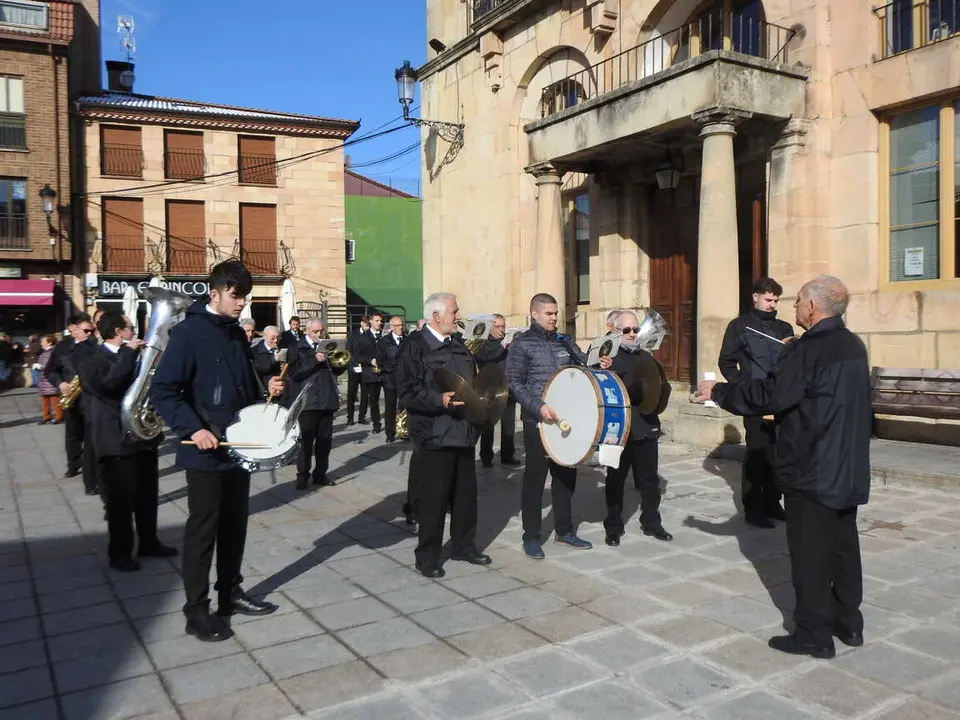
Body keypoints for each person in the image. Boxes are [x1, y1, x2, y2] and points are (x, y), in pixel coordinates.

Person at [695, 275, 871, 659]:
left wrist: (718, 391)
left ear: (812, 306)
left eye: (797, 302)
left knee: (810, 554)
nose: (792, 308)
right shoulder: (852, 345)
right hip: (848, 465)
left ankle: (813, 634)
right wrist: (799, 351)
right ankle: (849, 624)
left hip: (812, 467)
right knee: (844, 548)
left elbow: (769, 395)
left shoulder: (806, 351)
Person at [150, 260, 286, 642]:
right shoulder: (187, 333)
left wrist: (267, 390)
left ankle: (229, 595)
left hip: (237, 448)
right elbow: (164, 391)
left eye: (245, 296)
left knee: (234, 527)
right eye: (235, 296)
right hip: (204, 450)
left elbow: (242, 390)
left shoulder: (234, 334)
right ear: (215, 293)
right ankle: (196, 610)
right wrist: (193, 428)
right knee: (203, 532)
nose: (242, 303)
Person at [506, 293, 611, 559]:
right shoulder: (522, 344)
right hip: (538, 421)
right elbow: (514, 382)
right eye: (550, 313)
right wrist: (538, 407)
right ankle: (531, 536)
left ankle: (564, 531)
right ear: (535, 314)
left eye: (555, 313)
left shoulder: (564, 340)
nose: (554, 317)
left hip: (566, 420)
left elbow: (584, 365)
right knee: (535, 480)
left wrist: (599, 362)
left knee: (566, 477)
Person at [396, 292, 490, 578]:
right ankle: (427, 555)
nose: (458, 316)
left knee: (465, 496)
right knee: (434, 499)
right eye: (454, 311)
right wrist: (440, 401)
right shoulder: (415, 347)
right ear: (436, 316)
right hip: (434, 433)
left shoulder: (459, 344)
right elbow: (406, 391)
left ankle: (463, 545)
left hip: (463, 431)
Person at [77, 312, 178, 572]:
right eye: (130, 327)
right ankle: (120, 553)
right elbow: (109, 384)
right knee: (120, 502)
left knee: (147, 496)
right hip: (114, 439)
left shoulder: (133, 356)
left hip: (142, 437)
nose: (134, 331)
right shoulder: (90, 359)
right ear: (119, 331)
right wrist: (129, 354)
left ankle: (149, 542)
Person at [718, 277, 795, 528]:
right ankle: (753, 507)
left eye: (775, 300)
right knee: (756, 453)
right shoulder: (739, 326)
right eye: (767, 299)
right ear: (755, 296)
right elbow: (726, 361)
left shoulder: (784, 328)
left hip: (779, 397)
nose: (772, 304)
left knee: (778, 453)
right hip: (753, 398)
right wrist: (742, 386)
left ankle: (774, 502)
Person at [599, 310, 672, 547]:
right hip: (620, 428)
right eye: (626, 330)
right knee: (615, 480)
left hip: (647, 424)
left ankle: (652, 522)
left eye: (635, 330)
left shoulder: (646, 356)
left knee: (649, 480)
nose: (632, 334)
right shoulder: (608, 357)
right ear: (615, 330)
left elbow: (658, 387)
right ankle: (613, 527)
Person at [43, 313, 99, 490]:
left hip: (90, 396)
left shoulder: (94, 345)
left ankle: (92, 470)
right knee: (72, 433)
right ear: (72, 328)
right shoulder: (62, 346)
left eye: (92, 330)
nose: (89, 333)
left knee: (91, 436)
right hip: (71, 396)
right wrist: (60, 383)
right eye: (86, 330)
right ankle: (73, 465)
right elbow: (50, 370)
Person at [288, 318, 345, 489]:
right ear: (306, 331)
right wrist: (315, 360)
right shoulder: (296, 347)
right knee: (305, 442)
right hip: (308, 401)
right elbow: (295, 373)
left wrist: (340, 362)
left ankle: (320, 474)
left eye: (321, 331)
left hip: (327, 399)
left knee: (324, 441)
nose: (319, 334)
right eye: (315, 332)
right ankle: (302, 476)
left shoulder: (327, 345)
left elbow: (336, 371)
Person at [477, 314, 519, 468]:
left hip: (507, 387)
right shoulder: (483, 342)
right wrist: (502, 346)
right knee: (488, 424)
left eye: (503, 326)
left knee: (509, 424)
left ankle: (508, 454)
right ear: (490, 327)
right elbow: (484, 357)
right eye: (498, 326)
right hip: (490, 389)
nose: (501, 329)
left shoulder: (508, 343)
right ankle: (486, 456)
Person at [356, 312, 384, 433]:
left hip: (385, 372)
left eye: (380, 321)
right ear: (371, 322)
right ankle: (376, 424)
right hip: (371, 373)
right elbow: (357, 356)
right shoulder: (363, 337)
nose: (379, 323)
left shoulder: (384, 335)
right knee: (374, 400)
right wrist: (370, 361)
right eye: (377, 321)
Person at [379, 315, 406, 443]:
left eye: (401, 325)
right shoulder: (384, 342)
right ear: (391, 327)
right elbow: (380, 361)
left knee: (405, 406)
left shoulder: (407, 340)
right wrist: (393, 367)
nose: (400, 328)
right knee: (390, 407)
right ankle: (390, 433)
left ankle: (404, 430)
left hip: (405, 379)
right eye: (397, 326)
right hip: (390, 379)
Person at [345, 315, 370, 425]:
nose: (367, 326)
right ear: (361, 323)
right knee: (351, 394)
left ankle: (361, 417)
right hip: (354, 366)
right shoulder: (353, 334)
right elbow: (348, 350)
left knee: (365, 394)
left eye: (368, 324)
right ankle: (350, 418)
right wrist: (356, 362)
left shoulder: (371, 335)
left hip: (365, 368)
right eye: (365, 324)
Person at [36, 335, 62, 424]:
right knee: (45, 400)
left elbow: (50, 366)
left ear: (49, 342)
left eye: (43, 342)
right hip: (43, 379)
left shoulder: (52, 352)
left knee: (54, 400)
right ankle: (46, 416)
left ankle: (59, 416)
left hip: (50, 379)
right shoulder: (44, 352)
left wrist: (41, 366)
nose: (41, 343)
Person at [252, 325, 283, 391]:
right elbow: (258, 367)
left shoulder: (282, 347)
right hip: (266, 389)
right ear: (265, 336)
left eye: (278, 337)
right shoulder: (254, 351)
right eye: (272, 338)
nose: (276, 340)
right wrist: (273, 359)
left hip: (283, 388)